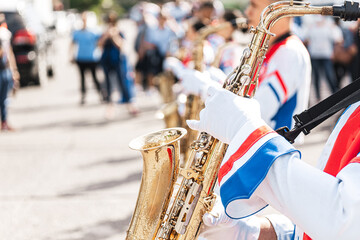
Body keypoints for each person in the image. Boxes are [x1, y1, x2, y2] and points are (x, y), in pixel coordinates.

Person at [98, 11, 137, 115]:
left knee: (123, 82)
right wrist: (106, 35)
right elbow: (99, 44)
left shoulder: (119, 32)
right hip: (107, 60)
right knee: (108, 84)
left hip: (118, 60)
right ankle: (110, 106)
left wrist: (114, 35)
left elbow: (121, 45)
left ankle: (130, 104)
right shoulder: (104, 33)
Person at [70, 11, 103, 105]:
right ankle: (83, 96)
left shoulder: (94, 32)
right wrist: (71, 55)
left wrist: (100, 53)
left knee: (95, 77)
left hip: (92, 58)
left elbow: (100, 43)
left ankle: (101, 94)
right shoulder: (77, 32)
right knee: (82, 79)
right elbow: (72, 44)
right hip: (81, 58)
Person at [0, 14, 19, 131]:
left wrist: (14, 70)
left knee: (5, 99)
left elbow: (10, 52)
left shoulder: (5, 33)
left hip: (6, 69)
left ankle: (4, 122)